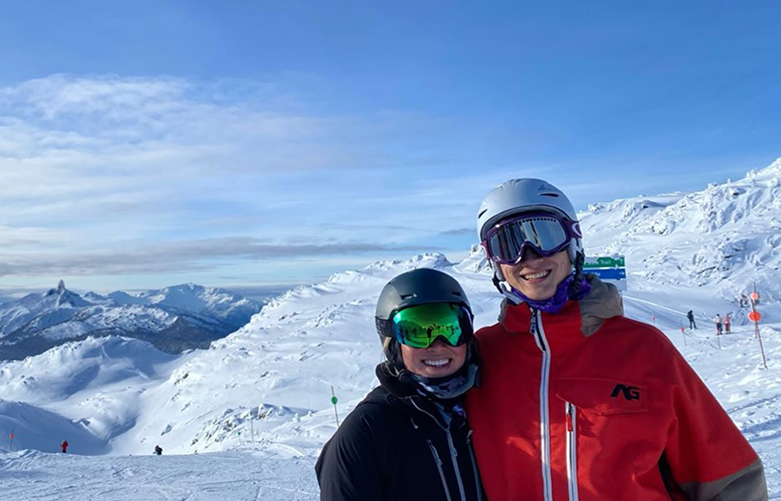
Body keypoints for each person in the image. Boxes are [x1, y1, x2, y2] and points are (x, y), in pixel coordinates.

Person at [467, 178, 766, 501]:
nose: (529, 256)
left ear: (572, 242)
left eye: (545, 236)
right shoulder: (480, 357)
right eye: (508, 244)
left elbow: (729, 479)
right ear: (494, 262)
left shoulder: (644, 348)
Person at [315, 268, 485, 501]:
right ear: (392, 343)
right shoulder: (366, 432)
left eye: (451, 329)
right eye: (417, 333)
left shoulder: (484, 408)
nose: (437, 345)